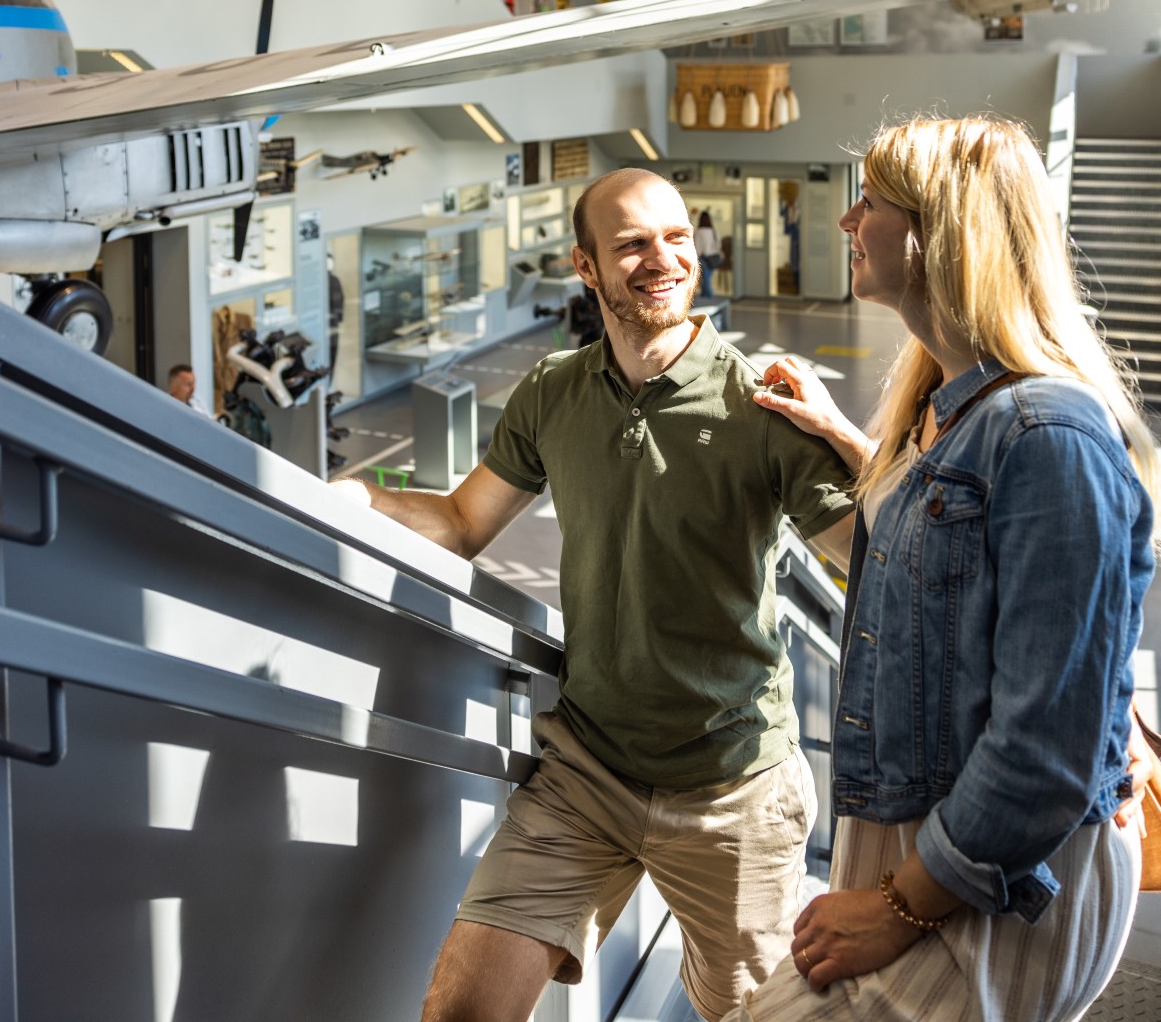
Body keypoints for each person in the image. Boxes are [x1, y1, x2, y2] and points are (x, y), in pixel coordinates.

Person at [337, 167, 856, 1022]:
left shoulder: (762, 404)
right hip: (587, 772)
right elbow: (465, 521)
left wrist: (849, 435)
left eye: (677, 237)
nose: (663, 259)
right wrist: (365, 500)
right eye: (633, 245)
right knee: (461, 1011)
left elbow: (876, 556)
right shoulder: (553, 391)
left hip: (733, 790)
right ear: (586, 266)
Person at [731, 115, 1159, 1022]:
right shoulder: (950, 404)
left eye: (872, 203)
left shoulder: (1051, 436)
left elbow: (1047, 745)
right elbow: (938, 545)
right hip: (919, 841)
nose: (848, 222)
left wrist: (898, 908)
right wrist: (848, 444)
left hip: (987, 872)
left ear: (939, 231)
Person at [693, 208, 721, 297]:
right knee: (707, 279)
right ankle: (705, 297)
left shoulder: (699, 232)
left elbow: (697, 247)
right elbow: (718, 245)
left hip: (703, 258)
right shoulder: (713, 231)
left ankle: (709, 298)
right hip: (713, 257)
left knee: (706, 280)